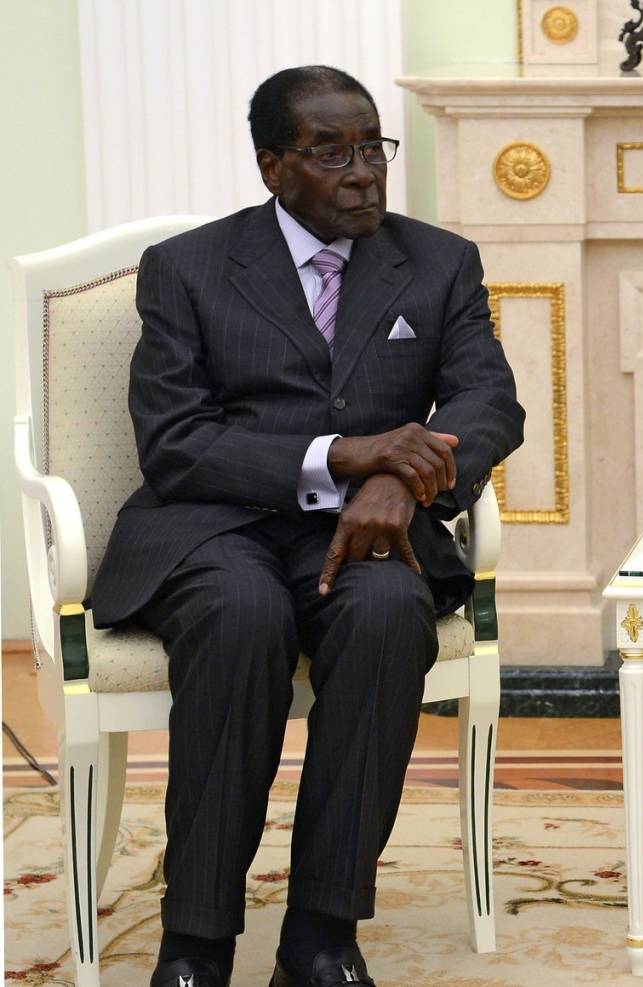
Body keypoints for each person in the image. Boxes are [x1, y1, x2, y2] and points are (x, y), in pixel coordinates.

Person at [90, 66, 525, 987]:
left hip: (371, 530)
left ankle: (321, 937)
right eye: (330, 153)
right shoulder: (189, 268)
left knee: (387, 615)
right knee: (240, 618)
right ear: (272, 166)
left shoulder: (439, 261)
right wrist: (349, 455)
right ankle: (196, 942)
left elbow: (489, 402)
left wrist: (403, 483)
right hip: (214, 526)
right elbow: (174, 443)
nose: (363, 172)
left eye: (372, 147)